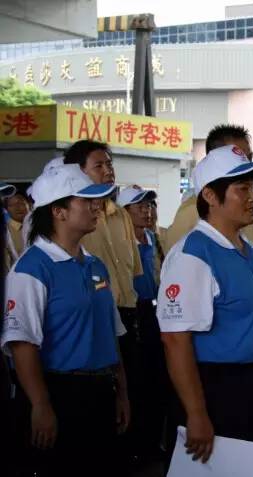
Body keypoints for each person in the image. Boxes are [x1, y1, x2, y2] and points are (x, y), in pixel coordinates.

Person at [157, 145, 253, 474]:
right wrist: (196, 413)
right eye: (242, 189)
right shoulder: (193, 254)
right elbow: (175, 340)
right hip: (219, 391)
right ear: (210, 196)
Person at [1, 164, 129, 477]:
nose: (96, 207)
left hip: (101, 390)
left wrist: (122, 392)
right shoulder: (31, 269)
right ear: (58, 211)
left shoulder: (95, 265)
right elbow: (22, 344)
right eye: (86, 201)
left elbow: (110, 333)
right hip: (61, 394)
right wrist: (40, 405)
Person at [62, 140, 145, 463]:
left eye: (110, 164)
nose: (109, 170)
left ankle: (128, 453)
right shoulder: (69, 218)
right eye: (99, 165)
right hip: (88, 320)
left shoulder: (120, 214)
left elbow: (132, 269)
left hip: (125, 314)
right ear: (77, 172)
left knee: (129, 389)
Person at [117, 186, 169, 461]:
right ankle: (135, 446)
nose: (147, 212)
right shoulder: (120, 243)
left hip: (156, 313)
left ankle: (153, 441)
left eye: (148, 206)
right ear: (124, 213)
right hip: (133, 313)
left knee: (159, 379)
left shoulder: (155, 239)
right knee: (138, 380)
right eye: (139, 207)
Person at [163, 124, 253, 252]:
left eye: (248, 157)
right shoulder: (190, 213)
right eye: (235, 156)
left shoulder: (251, 213)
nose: (246, 163)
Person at [5, 190, 29, 268]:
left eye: (20, 203)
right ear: (6, 209)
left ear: (29, 204)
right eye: (11, 205)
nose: (17, 207)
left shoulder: (39, 225)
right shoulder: (5, 232)